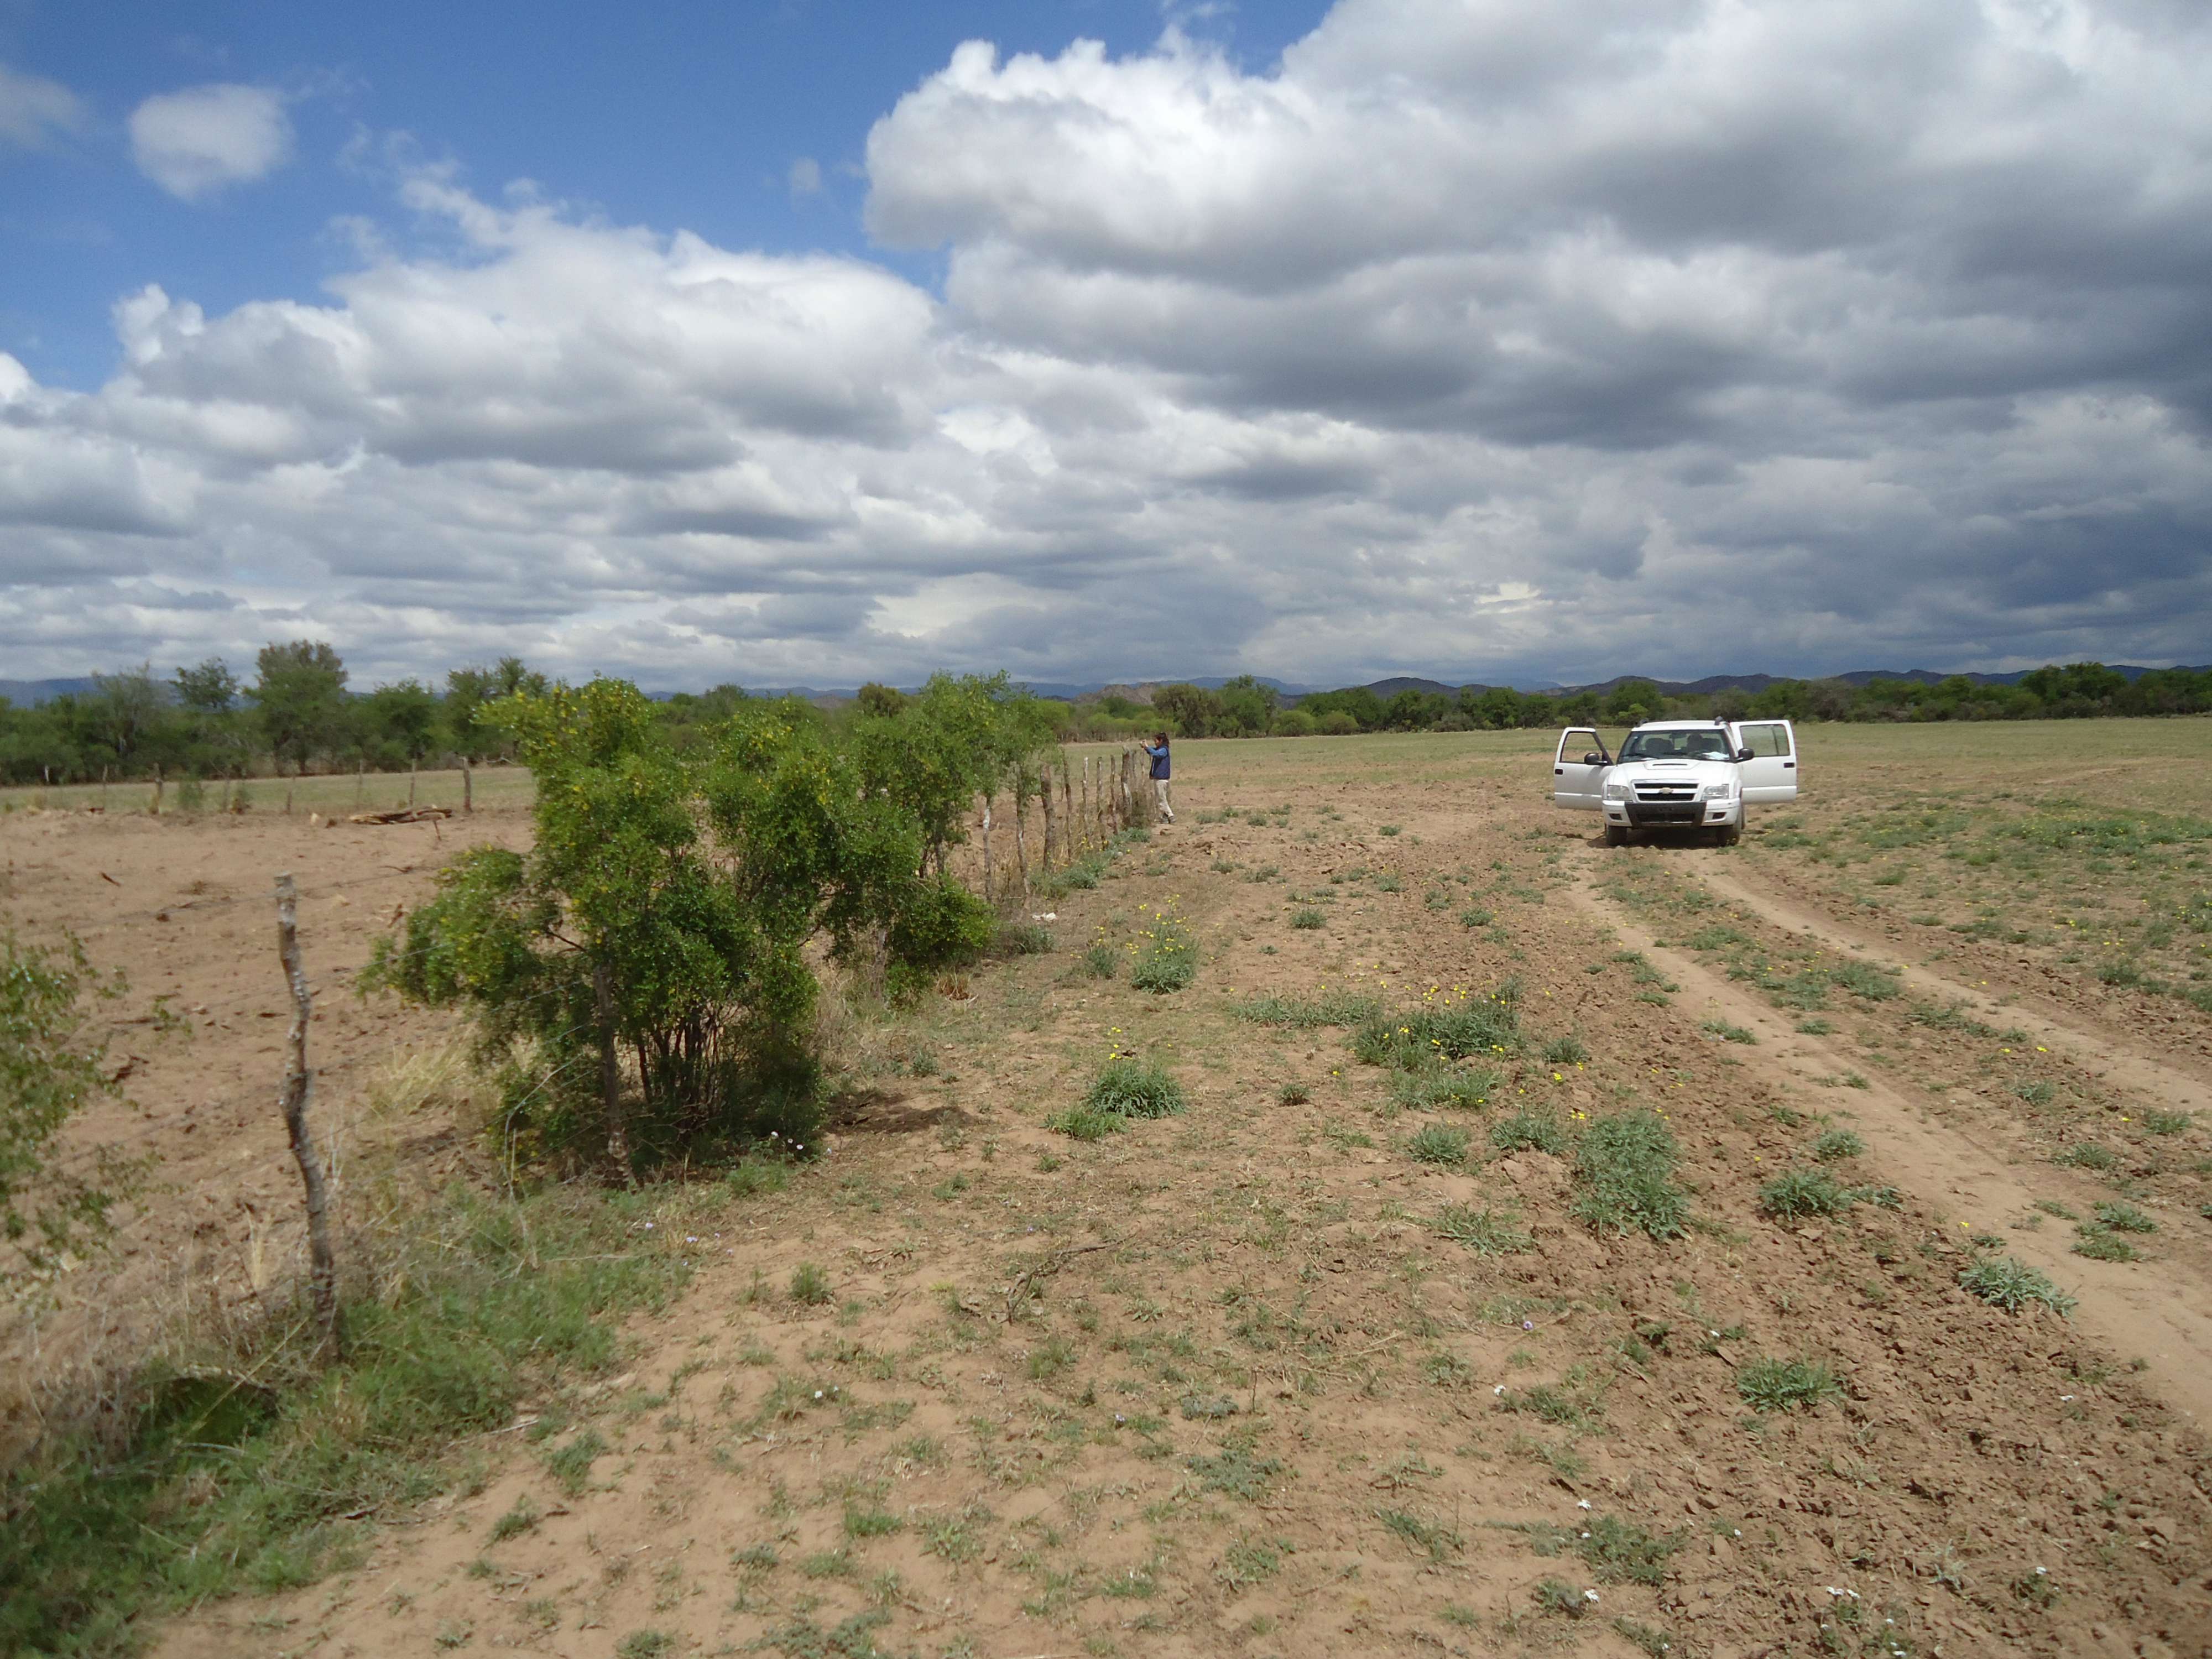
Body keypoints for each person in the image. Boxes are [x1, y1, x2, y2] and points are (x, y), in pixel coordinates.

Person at [1141, 731, 1174, 822]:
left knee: (1161, 799)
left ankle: (1170, 815)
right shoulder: (1161, 749)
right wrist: (1146, 748)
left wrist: (1147, 747)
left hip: (1162, 778)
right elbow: (1154, 752)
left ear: (1161, 741)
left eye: (1156, 740)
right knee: (1160, 798)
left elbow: (1156, 754)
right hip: (1160, 778)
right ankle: (1165, 818)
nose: (1155, 742)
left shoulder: (1164, 750)